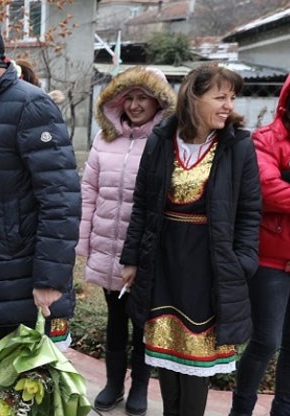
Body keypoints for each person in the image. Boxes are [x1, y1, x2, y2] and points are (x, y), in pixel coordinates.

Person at [120, 63, 262, 415]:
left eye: (232, 97)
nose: (229, 105)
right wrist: (132, 258)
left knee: (197, 368)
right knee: (166, 358)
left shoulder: (237, 147)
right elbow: (142, 204)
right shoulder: (161, 140)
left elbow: (248, 213)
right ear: (194, 98)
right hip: (163, 263)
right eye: (220, 96)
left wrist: (242, 261)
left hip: (208, 266)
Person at [0, 13, 81, 352]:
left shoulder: (31, 106)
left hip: (26, 276)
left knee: (37, 386)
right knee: (11, 379)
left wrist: (50, 280)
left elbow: (60, 201)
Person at [77, 66, 176, 415]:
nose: (134, 105)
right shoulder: (105, 138)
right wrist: (83, 241)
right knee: (115, 321)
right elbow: (89, 191)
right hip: (108, 245)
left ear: (158, 102)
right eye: (128, 97)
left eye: (142, 98)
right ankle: (114, 383)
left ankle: (140, 388)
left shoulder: (166, 142)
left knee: (144, 322)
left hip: (146, 251)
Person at [230, 74, 290, 415]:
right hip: (270, 262)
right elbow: (267, 190)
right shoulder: (265, 140)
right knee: (266, 341)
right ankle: (241, 408)